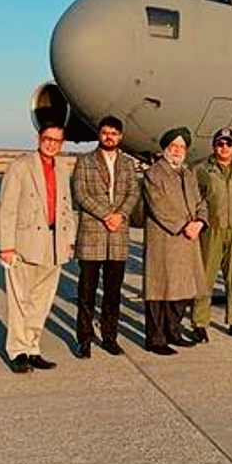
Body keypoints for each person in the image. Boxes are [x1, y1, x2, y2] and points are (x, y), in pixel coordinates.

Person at [0, 123, 76, 372]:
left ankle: (32, 347)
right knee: (20, 299)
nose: (51, 143)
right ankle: (17, 350)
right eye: (47, 138)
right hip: (24, 244)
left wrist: (70, 240)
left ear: (61, 144)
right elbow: (7, 208)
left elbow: (67, 207)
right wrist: (7, 246)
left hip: (54, 244)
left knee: (42, 301)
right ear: (38, 138)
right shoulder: (21, 166)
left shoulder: (63, 168)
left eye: (56, 140)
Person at [71, 116, 139, 358]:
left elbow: (133, 191)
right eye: (105, 132)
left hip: (118, 235)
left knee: (113, 293)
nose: (109, 136)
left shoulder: (129, 164)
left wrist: (119, 215)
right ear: (99, 134)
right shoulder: (85, 161)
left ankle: (110, 337)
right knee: (86, 293)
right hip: (93, 234)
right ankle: (85, 339)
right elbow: (80, 192)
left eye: (114, 133)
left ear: (120, 137)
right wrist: (106, 214)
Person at [142, 127, 208, 355]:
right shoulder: (154, 174)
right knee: (159, 291)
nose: (178, 151)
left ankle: (174, 332)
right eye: (174, 147)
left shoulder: (188, 174)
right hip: (165, 240)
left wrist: (200, 221)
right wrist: (184, 225)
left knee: (182, 291)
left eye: (182, 147)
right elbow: (158, 206)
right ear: (166, 149)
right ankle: (156, 339)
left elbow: (201, 202)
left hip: (188, 240)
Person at [191, 127, 232, 343]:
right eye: (220, 143)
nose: (224, 147)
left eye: (228, 143)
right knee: (205, 278)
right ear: (214, 146)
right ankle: (200, 323)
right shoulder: (202, 169)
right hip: (212, 229)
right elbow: (195, 195)